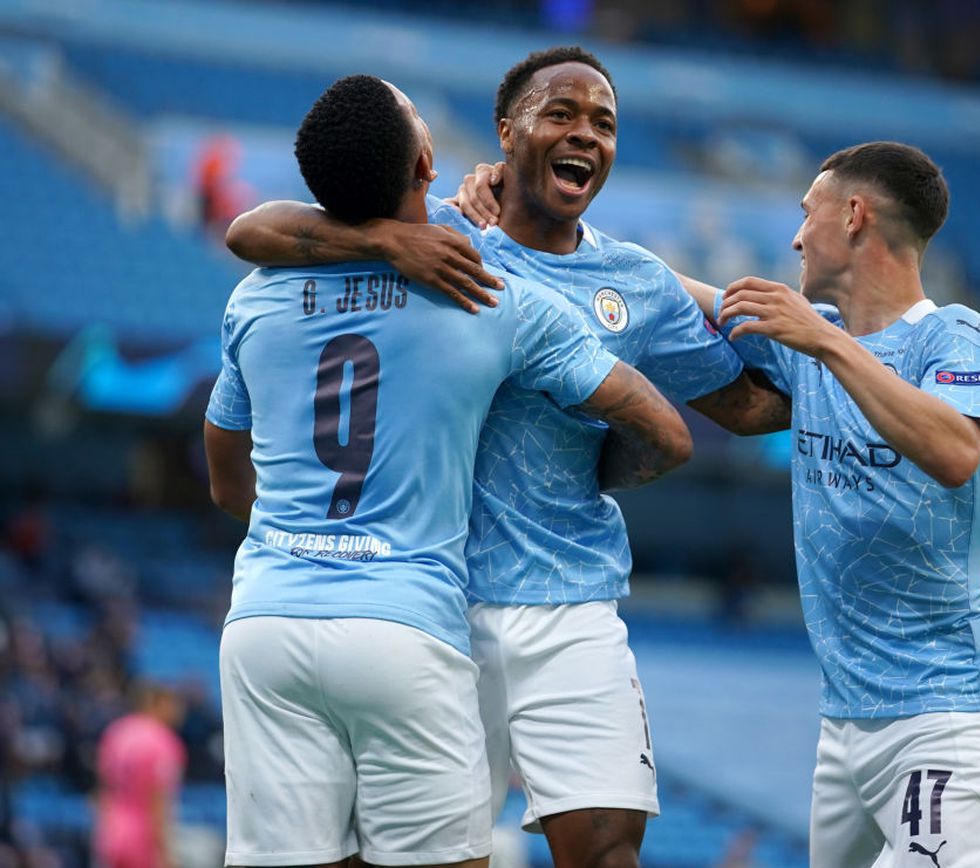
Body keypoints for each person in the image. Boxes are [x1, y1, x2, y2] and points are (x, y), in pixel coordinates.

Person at [225, 46, 790, 868]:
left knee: (606, 849)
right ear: (507, 133)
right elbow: (254, 231)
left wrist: (823, 365)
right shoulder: (436, 231)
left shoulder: (637, 281)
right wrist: (391, 241)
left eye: (604, 123)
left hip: (569, 600)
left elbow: (740, 410)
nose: (586, 135)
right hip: (435, 604)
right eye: (562, 114)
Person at [685, 141, 980, 867]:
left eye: (806, 214)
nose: (796, 236)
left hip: (947, 713)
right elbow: (678, 294)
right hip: (844, 721)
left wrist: (824, 343)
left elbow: (956, 450)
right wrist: (570, 245)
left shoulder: (952, 334)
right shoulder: (814, 342)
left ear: (855, 215)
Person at [93, 682, 187, 868]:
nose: (179, 711)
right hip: (143, 840)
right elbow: (159, 802)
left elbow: (103, 789)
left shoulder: (116, 732)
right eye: (174, 703)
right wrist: (166, 853)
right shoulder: (163, 741)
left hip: (111, 834)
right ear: (157, 703)